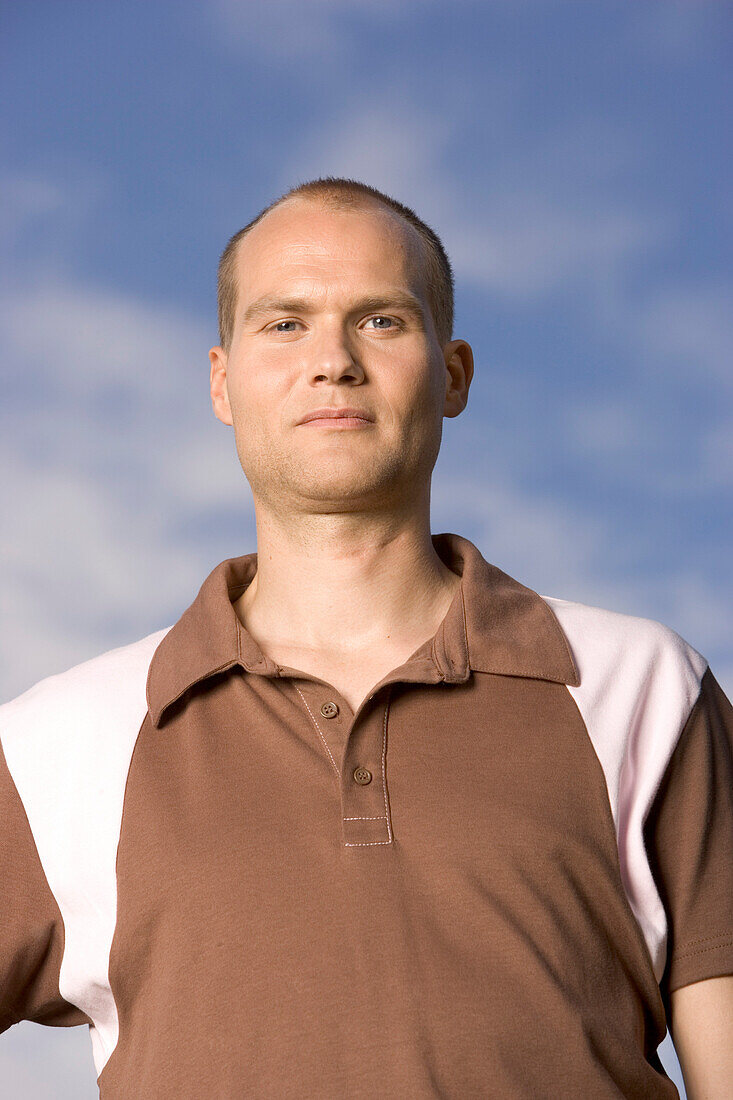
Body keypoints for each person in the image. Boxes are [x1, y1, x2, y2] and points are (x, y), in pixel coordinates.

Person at [0, 176, 730, 1099]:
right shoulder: (57, 742)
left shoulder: (646, 689)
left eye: (381, 320)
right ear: (222, 383)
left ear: (453, 371)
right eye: (283, 324)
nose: (332, 360)